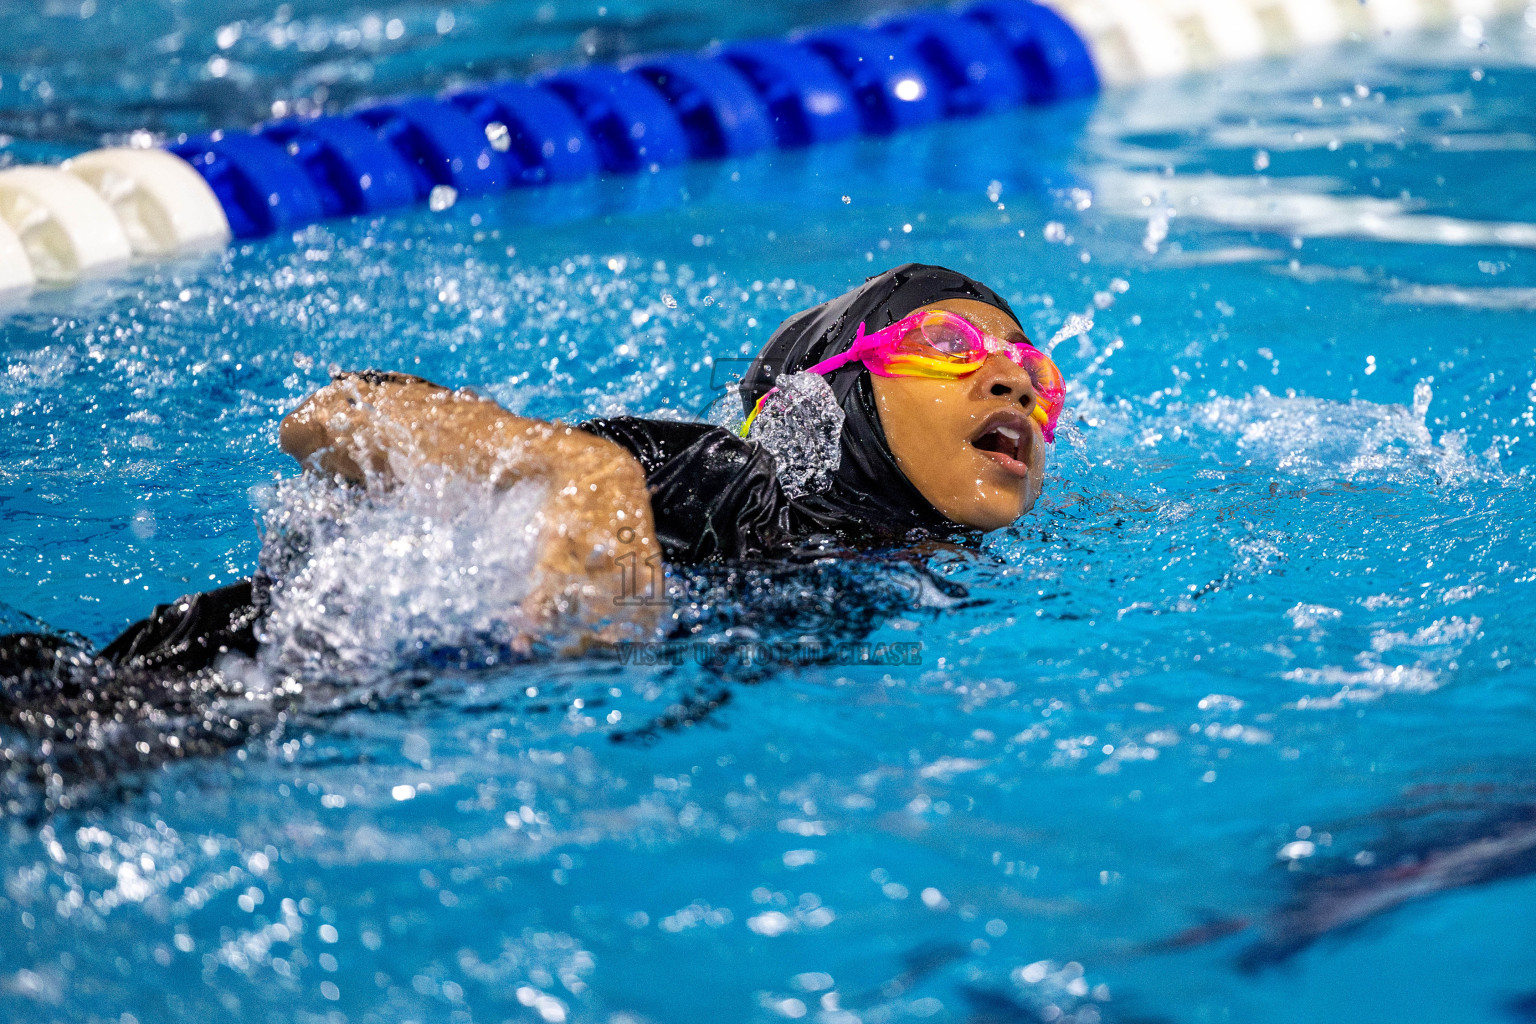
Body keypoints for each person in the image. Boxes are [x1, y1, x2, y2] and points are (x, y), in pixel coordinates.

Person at [2, 262, 1062, 695]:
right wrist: (570, 461)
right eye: (953, 341)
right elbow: (330, 415)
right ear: (830, 391)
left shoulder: (930, 582)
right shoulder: (724, 477)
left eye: (1035, 368)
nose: (1013, 374)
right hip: (179, 685)